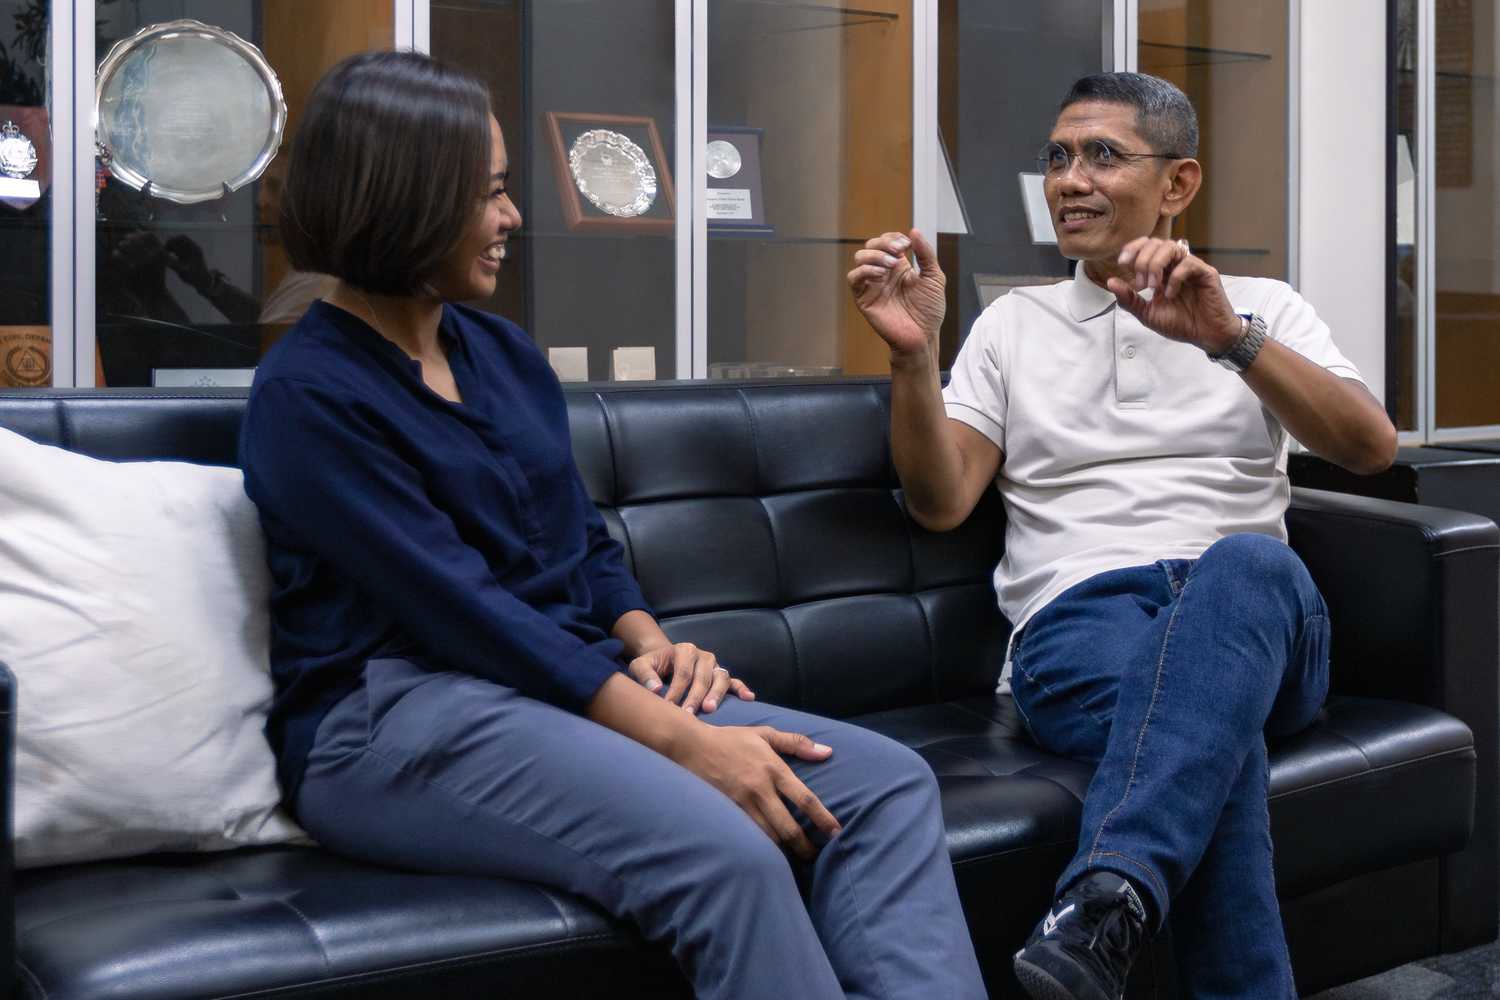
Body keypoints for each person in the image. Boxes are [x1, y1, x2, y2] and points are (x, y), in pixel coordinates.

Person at [239, 50, 987, 1000]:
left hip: (556, 685)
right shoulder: (308, 395)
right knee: (727, 852)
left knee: (886, 785)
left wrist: (651, 644)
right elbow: (462, 613)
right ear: (406, 200)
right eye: (489, 194)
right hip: (391, 717)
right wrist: (682, 740)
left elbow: (577, 538)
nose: (513, 217)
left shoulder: (502, 355)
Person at [847, 72, 1396, 1000]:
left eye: (1103, 155)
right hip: (1082, 622)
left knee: (1248, 561)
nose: (1070, 179)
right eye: (1058, 157)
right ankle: (1109, 905)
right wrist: (913, 357)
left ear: (1178, 183)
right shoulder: (1012, 324)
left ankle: (1107, 887)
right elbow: (942, 501)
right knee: (1208, 737)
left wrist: (1228, 338)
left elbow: (1370, 446)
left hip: (1255, 614)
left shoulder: (1261, 303)